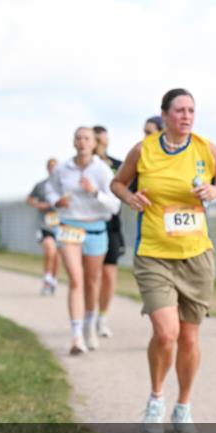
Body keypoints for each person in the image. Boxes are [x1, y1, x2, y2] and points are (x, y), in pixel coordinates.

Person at [111, 88, 216, 433]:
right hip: (154, 254)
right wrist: (130, 196)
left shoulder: (206, 149)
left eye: (191, 110)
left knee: (188, 338)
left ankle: (183, 405)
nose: (186, 116)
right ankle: (156, 399)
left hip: (197, 257)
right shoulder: (145, 149)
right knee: (166, 332)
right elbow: (117, 183)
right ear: (165, 114)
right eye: (179, 110)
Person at [46, 127, 120, 354]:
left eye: (86, 138)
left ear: (93, 143)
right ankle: (76, 336)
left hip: (96, 227)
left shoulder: (102, 170)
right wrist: (56, 201)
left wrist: (95, 192)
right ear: (73, 142)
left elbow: (114, 205)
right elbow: (50, 189)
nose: (82, 142)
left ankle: (89, 325)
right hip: (69, 226)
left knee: (91, 281)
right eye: (78, 137)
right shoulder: (63, 168)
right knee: (76, 280)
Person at [94, 125, 126, 337]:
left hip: (112, 225)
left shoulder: (118, 165)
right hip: (89, 224)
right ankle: (87, 315)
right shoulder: (81, 166)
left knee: (108, 274)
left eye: (102, 138)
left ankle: (102, 317)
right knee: (92, 275)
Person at [27, 158, 61, 295]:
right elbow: (29, 199)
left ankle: (53, 279)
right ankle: (47, 279)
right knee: (49, 249)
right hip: (44, 223)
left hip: (60, 225)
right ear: (47, 168)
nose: (52, 169)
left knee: (57, 256)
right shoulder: (40, 185)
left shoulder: (63, 185)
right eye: (50, 166)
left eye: (55, 167)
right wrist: (38, 205)